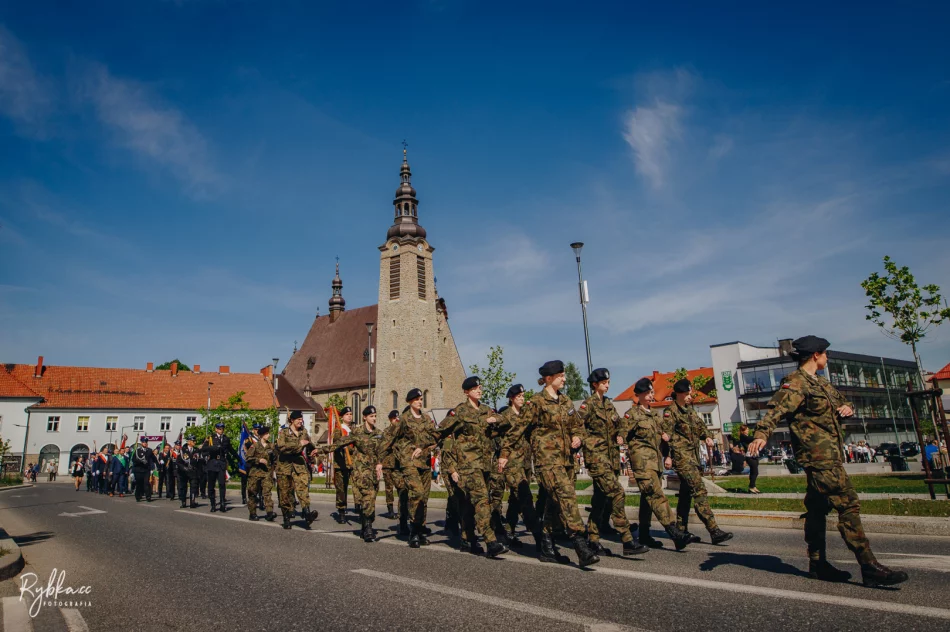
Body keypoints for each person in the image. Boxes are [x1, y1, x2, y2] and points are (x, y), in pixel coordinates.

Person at [748, 335, 909, 587]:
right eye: (825, 353)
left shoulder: (821, 383)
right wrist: (760, 434)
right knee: (848, 504)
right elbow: (776, 411)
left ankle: (817, 563)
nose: (827, 357)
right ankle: (869, 566)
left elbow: (842, 402)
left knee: (817, 508)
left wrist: (847, 408)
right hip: (819, 456)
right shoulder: (796, 382)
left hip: (829, 454)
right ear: (815, 355)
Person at [498, 360, 600, 567]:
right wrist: (504, 453)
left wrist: (578, 438)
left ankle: (546, 546)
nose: (564, 378)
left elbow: (578, 426)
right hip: (547, 461)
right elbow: (518, 429)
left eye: (564, 375)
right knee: (567, 497)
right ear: (548, 378)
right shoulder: (536, 402)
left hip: (566, 461)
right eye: (561, 375)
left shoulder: (566, 401)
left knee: (554, 504)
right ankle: (580, 544)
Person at [436, 376, 508, 558]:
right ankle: (491, 541)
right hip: (469, 466)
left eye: (480, 387)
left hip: (485, 464)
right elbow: (441, 430)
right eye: (475, 388)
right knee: (482, 500)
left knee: (469, 504)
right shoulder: (460, 412)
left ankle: (467, 539)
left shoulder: (486, 410)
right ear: (466, 392)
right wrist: (423, 445)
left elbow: (506, 422)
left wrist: (495, 421)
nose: (479, 390)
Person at [579, 368, 647, 556]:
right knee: (617, 492)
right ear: (595, 384)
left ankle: (593, 540)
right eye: (604, 383)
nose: (607, 385)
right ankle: (626, 539)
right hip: (597, 457)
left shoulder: (609, 404)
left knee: (600, 501)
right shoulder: (588, 405)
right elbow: (576, 426)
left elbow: (619, 424)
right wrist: (587, 443)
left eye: (608, 382)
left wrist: (621, 434)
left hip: (611, 459)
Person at [620, 377, 692, 550]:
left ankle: (644, 535)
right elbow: (622, 432)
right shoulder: (632, 414)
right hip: (642, 464)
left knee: (648, 499)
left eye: (652, 392)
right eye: (650, 392)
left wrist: (667, 449)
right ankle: (674, 532)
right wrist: (620, 438)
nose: (652, 395)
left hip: (655, 463)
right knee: (657, 496)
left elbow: (664, 434)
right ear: (642, 394)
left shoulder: (654, 415)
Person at [667, 378, 733, 545]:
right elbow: (665, 436)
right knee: (699, 491)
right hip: (682, 459)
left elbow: (700, 427)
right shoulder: (671, 412)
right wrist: (668, 456)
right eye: (688, 393)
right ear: (680, 394)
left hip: (694, 457)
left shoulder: (690, 411)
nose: (690, 396)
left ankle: (681, 534)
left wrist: (708, 437)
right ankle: (714, 530)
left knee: (685, 495)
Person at [379, 388, 438, 548]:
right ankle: (413, 532)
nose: (420, 401)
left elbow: (435, 436)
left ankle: (419, 530)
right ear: (410, 401)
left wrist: (423, 445)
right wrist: (379, 460)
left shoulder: (426, 419)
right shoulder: (404, 419)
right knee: (417, 493)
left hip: (424, 463)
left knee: (423, 499)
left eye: (421, 399)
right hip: (408, 462)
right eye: (417, 399)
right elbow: (390, 438)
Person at [322, 406, 385, 541]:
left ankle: (364, 526)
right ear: (364, 417)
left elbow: (382, 450)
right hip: (360, 473)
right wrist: (322, 450)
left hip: (373, 473)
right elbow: (340, 443)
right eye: (371, 416)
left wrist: (380, 463)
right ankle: (368, 529)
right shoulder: (357, 432)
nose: (374, 418)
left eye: (375, 416)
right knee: (367, 498)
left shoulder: (379, 433)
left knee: (370, 500)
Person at [493, 384, 542, 552]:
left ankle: (509, 531)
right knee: (525, 498)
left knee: (515, 500)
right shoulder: (505, 415)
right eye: (519, 396)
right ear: (512, 398)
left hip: (526, 462)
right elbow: (495, 434)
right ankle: (539, 537)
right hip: (512, 463)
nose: (522, 398)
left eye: (523, 395)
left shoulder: (526, 415)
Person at [276, 410, 319, 530]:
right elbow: (282, 448)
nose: (301, 421)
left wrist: (313, 452)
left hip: (300, 466)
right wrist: (298, 444)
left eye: (301, 419)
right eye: (298, 419)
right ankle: (286, 518)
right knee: (285, 493)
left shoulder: (304, 432)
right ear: (292, 420)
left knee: (303, 490)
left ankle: (307, 514)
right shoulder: (283, 432)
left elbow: (309, 445)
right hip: (285, 466)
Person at [244, 426, 277, 522]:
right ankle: (252, 513)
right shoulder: (254, 446)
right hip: (255, 473)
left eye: (268, 433)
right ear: (262, 435)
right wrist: (258, 460)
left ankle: (269, 512)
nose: (268, 435)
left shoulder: (271, 446)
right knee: (253, 493)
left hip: (266, 473)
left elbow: (275, 459)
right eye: (266, 434)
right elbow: (248, 458)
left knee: (267, 493)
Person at [331, 407, 356, 523]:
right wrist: (343, 439)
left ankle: (359, 507)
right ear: (342, 416)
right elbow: (335, 441)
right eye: (347, 414)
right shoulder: (339, 429)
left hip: (354, 463)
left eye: (351, 414)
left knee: (358, 486)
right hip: (341, 464)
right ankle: (341, 511)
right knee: (342, 489)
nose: (349, 416)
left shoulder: (355, 430)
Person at [202, 422, 232, 513]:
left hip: (221, 464)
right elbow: (204, 450)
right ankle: (213, 504)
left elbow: (230, 450)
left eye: (222, 428)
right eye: (219, 428)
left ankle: (222, 503)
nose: (221, 430)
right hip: (212, 463)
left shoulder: (226, 439)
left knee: (222, 484)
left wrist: (238, 460)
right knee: (211, 485)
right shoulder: (210, 438)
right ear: (216, 429)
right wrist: (213, 448)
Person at [177, 434, 199, 508]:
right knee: (183, 487)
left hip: (193, 472)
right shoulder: (182, 450)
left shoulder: (196, 450)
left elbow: (198, 461)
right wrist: (184, 468)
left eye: (195, 441)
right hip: (184, 472)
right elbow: (179, 462)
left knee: (193, 487)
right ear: (189, 441)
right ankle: (183, 502)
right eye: (193, 441)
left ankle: (192, 502)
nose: (194, 442)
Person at [737, 425, 760, 493]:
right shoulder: (743, 436)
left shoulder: (746, 436)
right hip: (749, 456)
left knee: (754, 472)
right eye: (746, 429)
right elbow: (751, 438)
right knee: (755, 472)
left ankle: (753, 486)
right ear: (743, 431)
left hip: (753, 455)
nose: (748, 430)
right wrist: (757, 434)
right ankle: (751, 486)